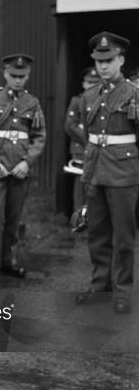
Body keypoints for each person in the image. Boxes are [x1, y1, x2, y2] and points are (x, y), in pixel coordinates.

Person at [75, 32, 139, 314]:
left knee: (123, 237)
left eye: (109, 60)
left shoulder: (133, 95)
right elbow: (89, 136)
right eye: (99, 61)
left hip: (124, 174)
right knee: (97, 234)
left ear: (121, 60)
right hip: (96, 172)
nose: (103, 66)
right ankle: (101, 285)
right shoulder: (88, 96)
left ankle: (122, 290)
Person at [0, 54, 46, 285]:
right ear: (5, 73)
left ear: (28, 76)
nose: (17, 80)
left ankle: (8, 260)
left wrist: (27, 163)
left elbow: (39, 136)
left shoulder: (32, 103)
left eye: (22, 76)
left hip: (20, 169)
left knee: (15, 218)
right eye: (13, 75)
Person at [64, 67, 100, 211]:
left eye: (95, 83)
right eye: (89, 83)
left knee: (97, 187)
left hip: (101, 151)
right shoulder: (77, 101)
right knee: (80, 188)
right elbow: (70, 126)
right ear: (84, 84)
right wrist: (91, 141)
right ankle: (78, 222)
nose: (92, 86)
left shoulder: (104, 102)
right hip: (81, 150)